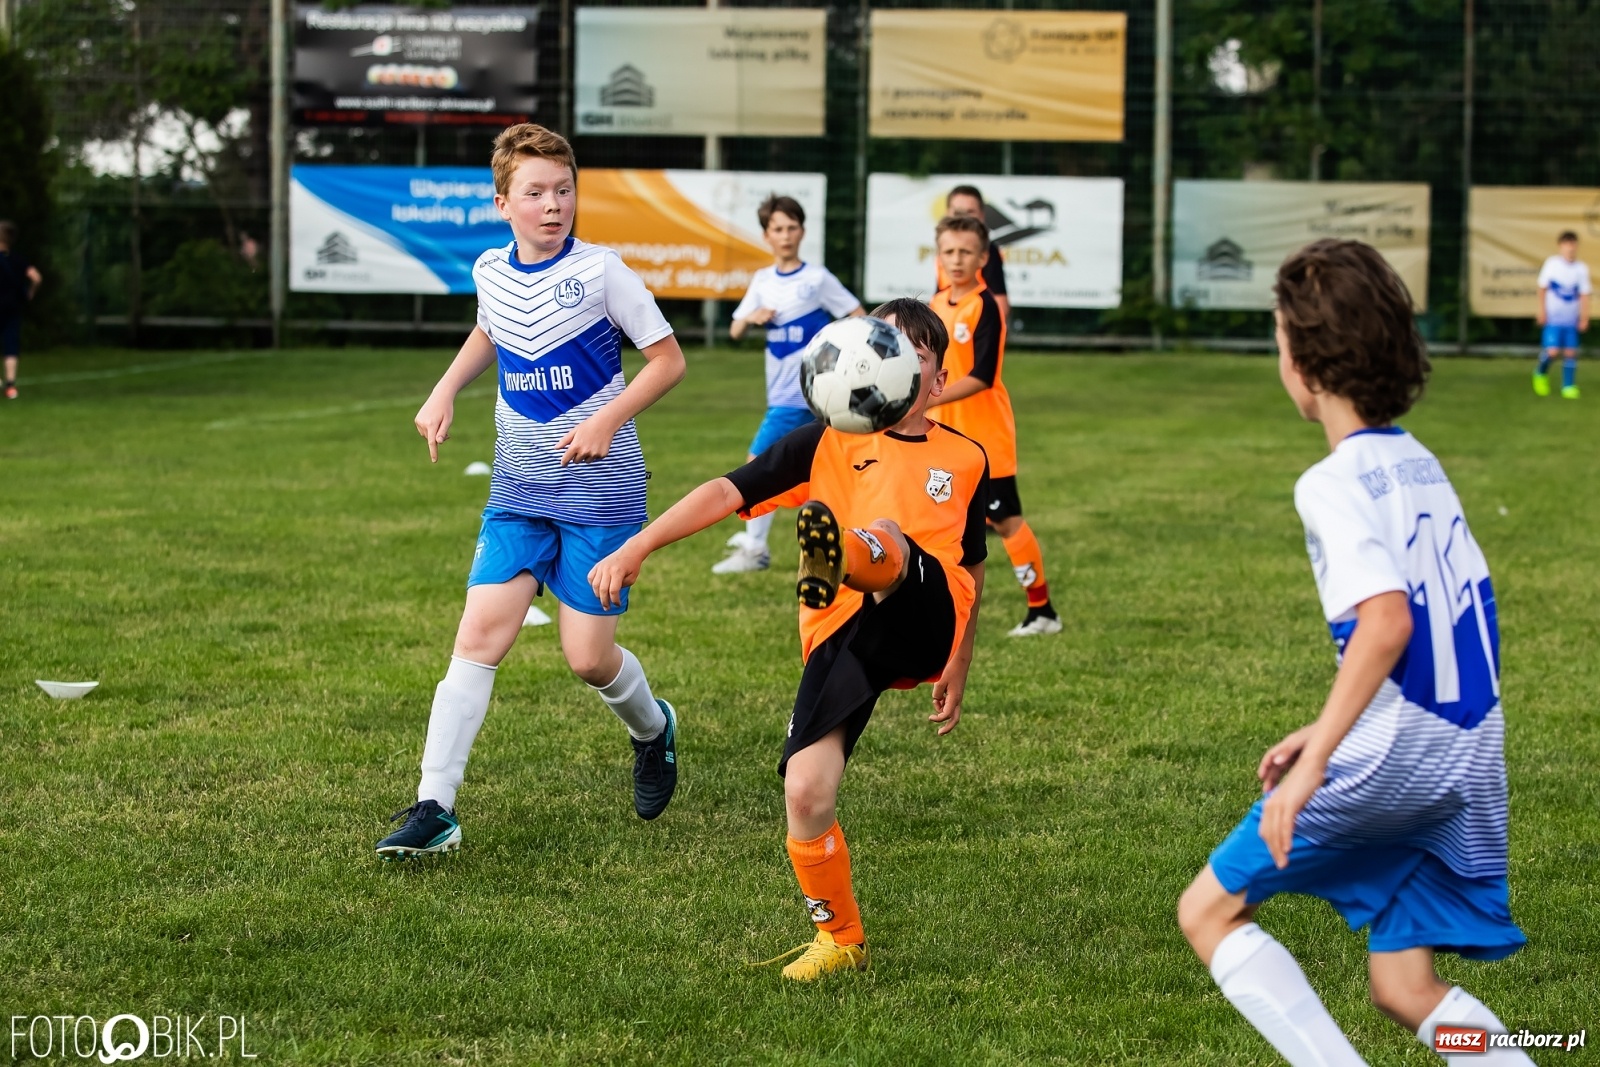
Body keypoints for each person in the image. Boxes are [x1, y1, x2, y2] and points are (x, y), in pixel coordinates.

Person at [1177, 239, 1530, 1066]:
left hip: (1394, 760)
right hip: (1468, 749)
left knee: (1207, 910)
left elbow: (1387, 622)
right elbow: (1450, 620)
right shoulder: (1420, 463)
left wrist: (1316, 762)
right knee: (1402, 985)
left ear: (1303, 362)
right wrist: (1325, 726)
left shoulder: (1329, 484)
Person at [589, 299, 987, 981]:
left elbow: (973, 564)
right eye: (878, 346)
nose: (886, 362)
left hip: (929, 609)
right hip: (843, 630)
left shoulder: (967, 456)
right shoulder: (824, 442)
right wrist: (639, 545)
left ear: (939, 381)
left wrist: (960, 660)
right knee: (805, 790)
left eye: (911, 354)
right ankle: (841, 939)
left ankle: (848, 553)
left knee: (890, 537)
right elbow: (726, 491)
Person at [375, 123, 688, 860]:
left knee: (588, 659)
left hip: (600, 495)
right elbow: (491, 330)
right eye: (536, 192)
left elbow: (668, 361)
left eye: (564, 190)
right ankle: (434, 806)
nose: (553, 205)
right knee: (478, 636)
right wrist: (445, 389)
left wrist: (607, 419)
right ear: (503, 202)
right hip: (517, 489)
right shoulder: (491, 269)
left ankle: (654, 729)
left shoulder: (603, 272)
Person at [929, 214, 1061, 637]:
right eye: (949, 251)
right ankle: (935, 611)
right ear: (938, 256)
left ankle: (1042, 611)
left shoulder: (984, 306)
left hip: (985, 437)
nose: (956, 260)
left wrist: (928, 397)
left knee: (1006, 521)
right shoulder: (936, 304)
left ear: (984, 258)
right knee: (935, 522)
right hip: (942, 435)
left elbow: (983, 375)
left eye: (966, 252)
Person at [717, 195, 863, 574]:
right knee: (819, 470)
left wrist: (836, 344)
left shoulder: (816, 279)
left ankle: (755, 548)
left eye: (791, 228)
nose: (785, 235)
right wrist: (752, 317)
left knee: (758, 465)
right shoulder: (763, 280)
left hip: (802, 395)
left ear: (802, 232)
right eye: (778, 229)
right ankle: (856, 539)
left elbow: (858, 315)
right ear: (767, 236)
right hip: (781, 394)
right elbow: (734, 330)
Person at [935, 185, 1009, 325]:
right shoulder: (943, 248)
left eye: (970, 212)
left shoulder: (988, 251)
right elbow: (940, 295)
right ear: (947, 213)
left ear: (981, 215)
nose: (963, 217)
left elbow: (1000, 306)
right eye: (957, 212)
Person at [1532, 230, 1590, 399]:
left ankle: (1568, 386)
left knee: (1571, 352)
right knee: (1552, 351)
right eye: (1567, 244)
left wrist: (1584, 317)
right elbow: (1542, 289)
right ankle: (1540, 373)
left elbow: (1584, 295)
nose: (1570, 248)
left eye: (1573, 244)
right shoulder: (1552, 264)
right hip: (1553, 319)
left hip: (1571, 320)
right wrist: (1542, 311)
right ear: (1560, 246)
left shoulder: (1581, 269)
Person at [0, 220, 44, 400]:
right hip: (13, 306)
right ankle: (11, 385)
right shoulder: (18, 259)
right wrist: (30, 293)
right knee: (11, 343)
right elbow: (36, 277)